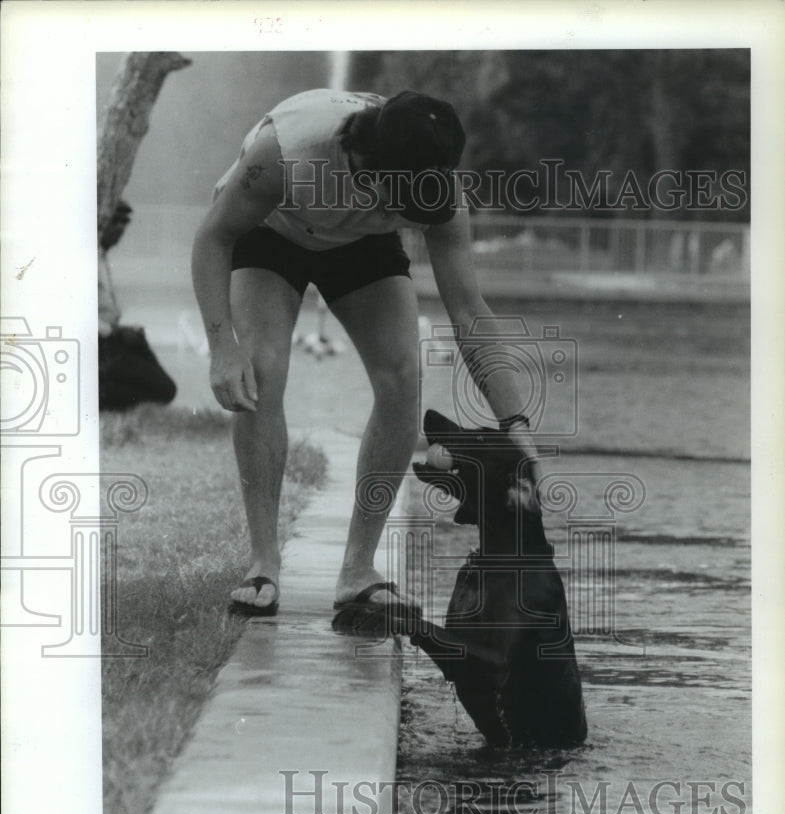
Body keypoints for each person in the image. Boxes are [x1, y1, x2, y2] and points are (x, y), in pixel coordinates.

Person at [191, 88, 542, 617]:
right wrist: (222, 346)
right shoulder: (285, 152)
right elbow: (213, 237)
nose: (394, 212)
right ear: (367, 166)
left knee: (404, 376)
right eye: (391, 201)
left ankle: (358, 569)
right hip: (274, 230)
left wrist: (516, 424)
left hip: (359, 249)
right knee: (264, 368)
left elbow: (468, 310)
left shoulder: (437, 191)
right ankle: (263, 561)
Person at [99, 200, 177, 411]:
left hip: (111, 337)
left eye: (125, 223)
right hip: (98, 344)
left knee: (164, 387)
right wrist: (112, 331)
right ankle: (99, 395)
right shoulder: (85, 258)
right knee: (163, 390)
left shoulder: (102, 257)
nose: (121, 230)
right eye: (116, 222)